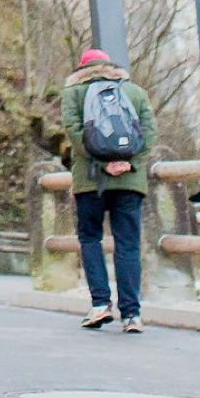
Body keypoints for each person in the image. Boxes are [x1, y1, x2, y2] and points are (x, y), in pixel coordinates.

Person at [59, 45, 156, 333]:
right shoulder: (134, 92)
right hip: (130, 180)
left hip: (90, 182)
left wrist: (104, 165)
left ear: (82, 68)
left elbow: (75, 135)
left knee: (90, 239)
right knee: (128, 244)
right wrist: (126, 162)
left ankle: (101, 304)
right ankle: (131, 314)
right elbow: (149, 132)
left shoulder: (73, 93)